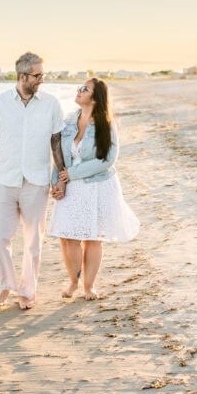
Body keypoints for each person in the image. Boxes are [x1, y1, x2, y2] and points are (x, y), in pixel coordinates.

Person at [0, 52, 66, 310]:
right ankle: (8, 284)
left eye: (42, 75)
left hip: (36, 181)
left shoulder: (51, 104)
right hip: (4, 179)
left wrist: (60, 177)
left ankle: (28, 291)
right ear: (22, 76)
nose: (41, 80)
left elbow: (56, 143)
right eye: (37, 76)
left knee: (33, 241)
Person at [48, 78, 139, 300]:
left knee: (92, 237)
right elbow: (59, 155)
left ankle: (89, 287)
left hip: (97, 186)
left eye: (84, 89)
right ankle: (73, 282)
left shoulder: (106, 124)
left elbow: (108, 159)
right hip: (70, 186)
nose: (79, 91)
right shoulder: (68, 121)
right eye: (80, 87)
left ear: (95, 98)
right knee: (67, 236)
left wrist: (72, 174)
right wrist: (56, 182)